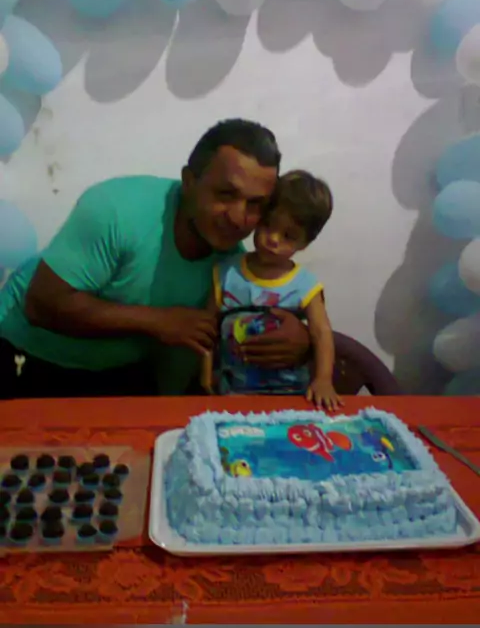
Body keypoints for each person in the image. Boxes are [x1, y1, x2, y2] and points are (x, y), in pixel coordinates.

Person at [0, 119, 311, 399]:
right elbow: (41, 304)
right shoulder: (116, 210)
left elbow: (239, 334)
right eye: (225, 194)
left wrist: (301, 341)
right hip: (27, 353)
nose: (239, 218)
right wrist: (159, 321)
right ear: (189, 182)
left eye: (255, 204)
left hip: (119, 371)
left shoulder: (233, 266)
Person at [201, 170, 343, 410]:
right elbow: (207, 330)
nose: (273, 239)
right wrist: (205, 376)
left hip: (292, 398)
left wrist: (323, 380)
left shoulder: (305, 285)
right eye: (268, 224)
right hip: (232, 395)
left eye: (288, 235)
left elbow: (321, 332)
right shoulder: (226, 273)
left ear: (305, 243)